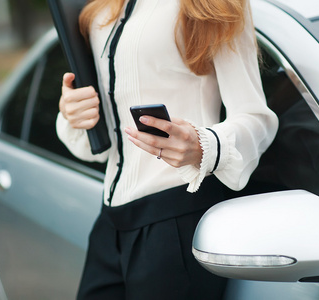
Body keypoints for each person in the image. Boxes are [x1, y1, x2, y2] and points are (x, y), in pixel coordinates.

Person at [56, 0, 278, 299]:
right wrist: (74, 112)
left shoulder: (212, 4)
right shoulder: (102, 7)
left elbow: (257, 119)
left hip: (177, 221)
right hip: (110, 221)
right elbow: (103, 135)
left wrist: (204, 145)